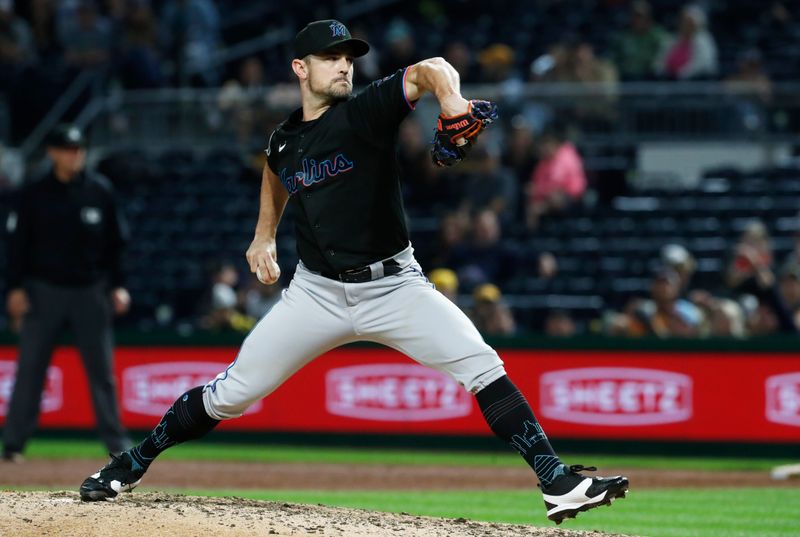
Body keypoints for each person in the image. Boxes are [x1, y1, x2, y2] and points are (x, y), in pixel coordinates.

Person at [78, 20, 628, 523]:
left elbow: (430, 71)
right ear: (300, 68)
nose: (344, 65)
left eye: (348, 57)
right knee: (233, 394)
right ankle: (131, 461)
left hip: (395, 286)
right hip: (314, 294)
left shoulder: (366, 111)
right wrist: (263, 233)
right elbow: (276, 172)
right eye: (329, 56)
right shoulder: (284, 138)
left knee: (483, 366)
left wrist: (453, 102)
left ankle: (555, 482)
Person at [3, 124, 132, 462]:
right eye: (67, 149)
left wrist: (118, 285)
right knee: (30, 370)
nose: (74, 155)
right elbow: (16, 246)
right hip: (43, 291)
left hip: (90, 292)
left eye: (78, 149)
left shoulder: (99, 191)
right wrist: (13, 288)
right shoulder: (32, 194)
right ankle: (14, 445)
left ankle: (116, 445)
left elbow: (116, 245)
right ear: (52, 153)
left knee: (102, 372)